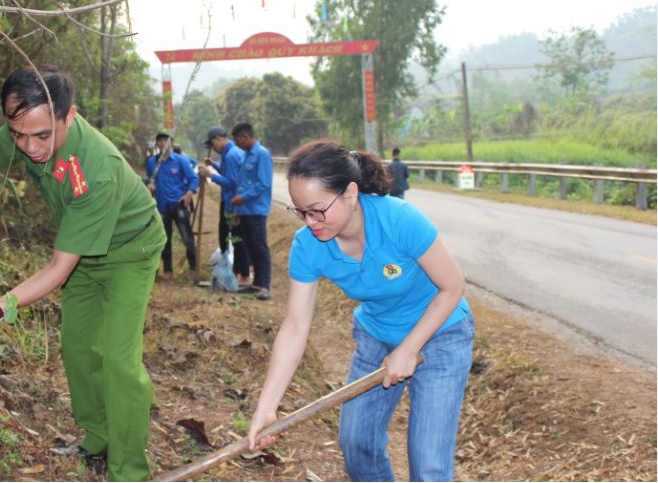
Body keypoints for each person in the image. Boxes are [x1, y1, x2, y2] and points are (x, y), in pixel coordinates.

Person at [0, 67, 165, 481]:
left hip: (130, 251)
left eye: (42, 136)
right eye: (19, 134)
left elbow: (57, 270)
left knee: (118, 358)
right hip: (82, 251)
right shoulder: (27, 128)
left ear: (70, 116)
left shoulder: (96, 168)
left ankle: (129, 468)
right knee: (78, 349)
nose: (29, 146)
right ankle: (98, 435)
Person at [247, 140, 473, 482]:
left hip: (441, 333)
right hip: (378, 336)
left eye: (317, 210)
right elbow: (294, 328)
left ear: (351, 193)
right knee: (356, 446)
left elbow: (453, 286)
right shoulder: (309, 246)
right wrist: (266, 409)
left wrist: (409, 349)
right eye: (300, 211)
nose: (310, 222)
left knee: (428, 465)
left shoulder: (399, 220)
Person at [197, 126, 250, 284]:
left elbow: (232, 182)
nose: (213, 148)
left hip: (234, 203)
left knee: (236, 239)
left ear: (218, 139)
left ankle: (241, 273)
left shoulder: (232, 155)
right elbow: (229, 173)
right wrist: (214, 165)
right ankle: (236, 271)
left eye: (212, 144)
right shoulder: (228, 154)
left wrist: (211, 175)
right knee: (230, 237)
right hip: (229, 201)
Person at [146, 131, 199, 280]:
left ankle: (194, 269)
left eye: (166, 140)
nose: (163, 143)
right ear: (157, 143)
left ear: (171, 143)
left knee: (187, 238)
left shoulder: (180, 160)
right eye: (160, 141)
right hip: (162, 206)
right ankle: (168, 271)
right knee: (165, 239)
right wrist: (151, 186)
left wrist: (189, 193)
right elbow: (150, 179)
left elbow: (193, 179)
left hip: (179, 204)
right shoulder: (152, 162)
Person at [230, 122, 273, 300]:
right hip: (244, 210)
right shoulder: (245, 156)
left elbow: (264, 183)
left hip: (256, 209)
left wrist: (245, 197)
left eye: (238, 140)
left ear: (245, 137)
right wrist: (237, 209)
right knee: (250, 248)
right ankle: (255, 285)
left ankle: (264, 286)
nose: (237, 144)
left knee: (259, 247)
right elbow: (242, 184)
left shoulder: (261, 154)